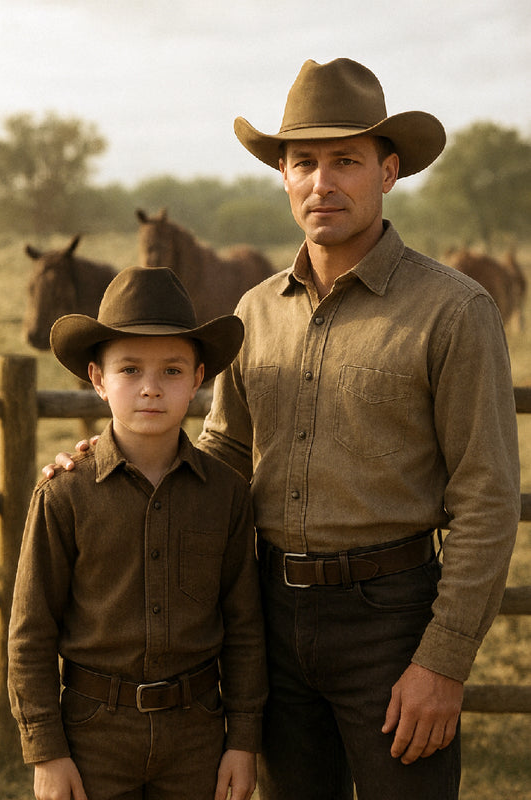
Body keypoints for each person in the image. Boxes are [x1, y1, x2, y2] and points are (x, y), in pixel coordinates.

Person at [44, 59, 520, 800]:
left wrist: (443, 662)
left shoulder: (452, 311)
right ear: (283, 176)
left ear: (388, 171)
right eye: (304, 162)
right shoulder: (255, 310)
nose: (322, 183)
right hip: (267, 614)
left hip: (389, 621)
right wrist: (117, 465)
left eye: (345, 161)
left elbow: (487, 499)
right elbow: (223, 455)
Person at [9, 266, 267, 800]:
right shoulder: (64, 495)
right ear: (98, 380)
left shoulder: (226, 495)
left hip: (196, 734)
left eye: (172, 371)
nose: (151, 388)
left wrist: (242, 740)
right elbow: (31, 633)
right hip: (92, 736)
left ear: (199, 379)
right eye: (129, 369)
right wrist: (47, 753)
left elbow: (244, 627)